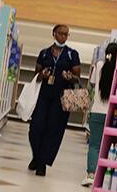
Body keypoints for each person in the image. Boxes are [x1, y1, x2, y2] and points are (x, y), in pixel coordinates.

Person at [28, 24, 81, 176]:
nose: (63, 37)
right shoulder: (44, 53)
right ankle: (36, 155)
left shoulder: (72, 54)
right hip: (43, 96)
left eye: (66, 34)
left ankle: (42, 163)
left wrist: (70, 77)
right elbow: (36, 75)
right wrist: (42, 75)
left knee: (54, 130)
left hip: (61, 98)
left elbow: (77, 78)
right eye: (60, 33)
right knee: (36, 128)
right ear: (54, 33)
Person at [83, 42, 117, 186]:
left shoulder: (98, 65)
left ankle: (91, 174)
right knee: (111, 145)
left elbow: (92, 84)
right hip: (113, 114)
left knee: (94, 145)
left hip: (97, 112)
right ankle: (106, 176)